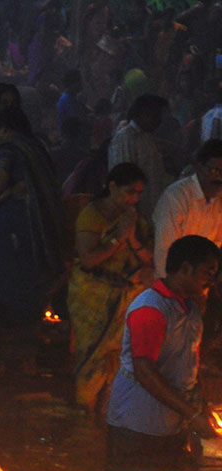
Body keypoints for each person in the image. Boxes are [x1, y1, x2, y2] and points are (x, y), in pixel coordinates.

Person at [0, 105, 64, 368]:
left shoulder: (9, 150)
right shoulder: (37, 147)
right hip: (42, 231)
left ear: (4, 129)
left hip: (18, 228)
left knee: (9, 287)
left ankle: (6, 359)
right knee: (32, 291)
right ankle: (27, 357)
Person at [106, 235, 222, 471]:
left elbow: (189, 362)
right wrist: (192, 414)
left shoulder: (190, 308)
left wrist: (201, 407)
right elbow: (144, 371)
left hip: (171, 424)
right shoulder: (151, 308)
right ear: (186, 268)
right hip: (137, 426)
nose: (210, 281)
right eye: (207, 273)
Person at [67, 163, 155, 415]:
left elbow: (148, 257)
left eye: (139, 193)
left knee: (119, 358)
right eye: (130, 192)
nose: (135, 199)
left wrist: (132, 237)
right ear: (112, 186)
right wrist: (118, 237)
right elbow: (88, 260)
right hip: (93, 297)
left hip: (127, 296)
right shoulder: (92, 215)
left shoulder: (136, 219)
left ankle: (108, 418)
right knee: (92, 357)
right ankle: (84, 417)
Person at [152, 139, 222, 278]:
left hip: (197, 284)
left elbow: (215, 248)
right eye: (215, 171)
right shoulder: (177, 196)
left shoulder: (218, 201)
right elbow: (164, 252)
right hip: (173, 284)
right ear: (199, 167)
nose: (220, 178)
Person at [108, 94, 171, 218]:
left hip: (151, 212)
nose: (159, 121)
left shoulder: (147, 137)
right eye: (156, 116)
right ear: (143, 113)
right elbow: (124, 182)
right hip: (137, 215)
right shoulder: (125, 138)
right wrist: (132, 216)